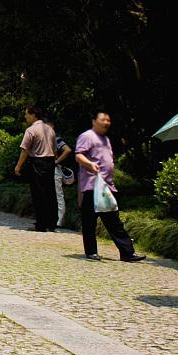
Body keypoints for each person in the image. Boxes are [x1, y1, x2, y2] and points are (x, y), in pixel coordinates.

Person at [74, 112, 143, 261]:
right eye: (103, 119)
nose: (106, 122)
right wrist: (89, 164)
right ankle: (91, 251)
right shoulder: (87, 136)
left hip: (107, 187)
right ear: (94, 121)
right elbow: (78, 155)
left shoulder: (105, 139)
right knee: (89, 221)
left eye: (108, 120)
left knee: (114, 221)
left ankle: (127, 253)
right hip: (92, 186)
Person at [15, 108, 60, 233]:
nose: (25, 117)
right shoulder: (50, 129)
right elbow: (55, 149)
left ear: (33, 115)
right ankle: (52, 223)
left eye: (26, 114)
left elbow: (24, 150)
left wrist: (18, 166)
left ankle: (40, 224)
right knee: (50, 192)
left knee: (38, 193)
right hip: (50, 162)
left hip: (38, 163)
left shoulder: (31, 130)